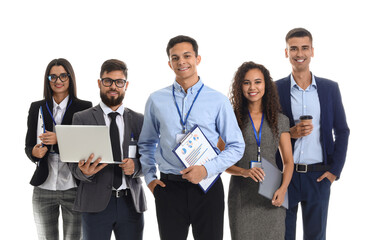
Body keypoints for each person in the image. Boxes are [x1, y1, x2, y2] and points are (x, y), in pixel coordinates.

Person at [138, 35, 245, 240]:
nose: (181, 62)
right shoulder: (156, 99)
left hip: (208, 187)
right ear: (169, 63)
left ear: (198, 59)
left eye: (187, 55)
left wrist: (206, 169)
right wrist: (151, 179)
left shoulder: (218, 100)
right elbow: (147, 143)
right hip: (169, 188)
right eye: (175, 58)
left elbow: (236, 146)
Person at [276, 28, 350, 240]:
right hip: (285, 177)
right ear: (286, 52)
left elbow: (342, 131)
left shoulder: (329, 89)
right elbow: (267, 133)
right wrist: (289, 133)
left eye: (304, 48)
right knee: (283, 235)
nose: (299, 53)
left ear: (312, 51)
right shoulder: (275, 89)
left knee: (316, 237)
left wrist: (334, 171)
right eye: (294, 48)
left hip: (318, 176)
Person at [68, 59, 146, 240]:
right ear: (99, 83)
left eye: (119, 82)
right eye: (108, 81)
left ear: (126, 85)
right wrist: (83, 172)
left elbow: (150, 160)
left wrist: (136, 167)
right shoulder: (81, 118)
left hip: (131, 203)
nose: (113, 86)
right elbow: (72, 166)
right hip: (94, 204)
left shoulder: (138, 120)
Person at [222, 61, 294, 240]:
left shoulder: (280, 120)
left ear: (266, 85)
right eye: (246, 82)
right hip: (242, 197)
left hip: (272, 195)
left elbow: (288, 161)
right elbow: (221, 161)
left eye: (257, 82)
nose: (252, 87)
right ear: (240, 86)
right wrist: (244, 171)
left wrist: (283, 189)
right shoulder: (232, 119)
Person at [25, 58, 92, 240]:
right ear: (47, 80)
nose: (58, 80)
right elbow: (28, 144)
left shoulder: (84, 107)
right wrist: (33, 153)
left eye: (63, 75)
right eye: (53, 76)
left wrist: (59, 139)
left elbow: (88, 146)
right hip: (43, 186)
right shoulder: (37, 107)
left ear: (70, 78)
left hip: (73, 186)